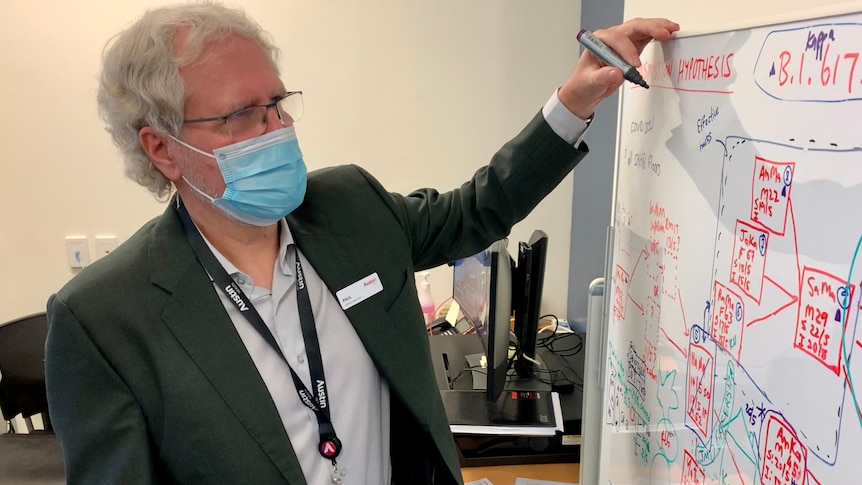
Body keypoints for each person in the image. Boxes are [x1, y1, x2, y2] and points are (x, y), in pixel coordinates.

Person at [44, 2, 678, 484]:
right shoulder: (103, 319)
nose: (279, 129)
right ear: (162, 147)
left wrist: (576, 99)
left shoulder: (349, 208)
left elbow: (475, 211)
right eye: (244, 114)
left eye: (278, 103)